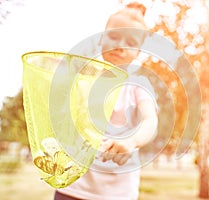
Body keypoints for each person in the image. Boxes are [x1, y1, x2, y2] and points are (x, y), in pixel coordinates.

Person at [54, 2, 158, 200]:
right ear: (101, 39)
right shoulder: (84, 76)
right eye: (114, 36)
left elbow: (150, 121)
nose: (120, 46)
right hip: (72, 186)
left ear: (138, 52)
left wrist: (132, 141)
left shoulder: (138, 83)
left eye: (130, 42)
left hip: (117, 193)